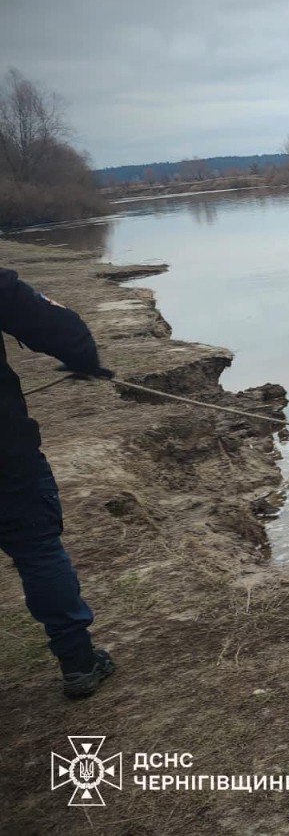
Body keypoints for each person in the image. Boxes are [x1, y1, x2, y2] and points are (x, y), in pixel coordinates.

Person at [1, 267, 115, 698]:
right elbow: (55, 323)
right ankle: (79, 663)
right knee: (37, 549)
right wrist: (83, 359)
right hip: (5, 455)